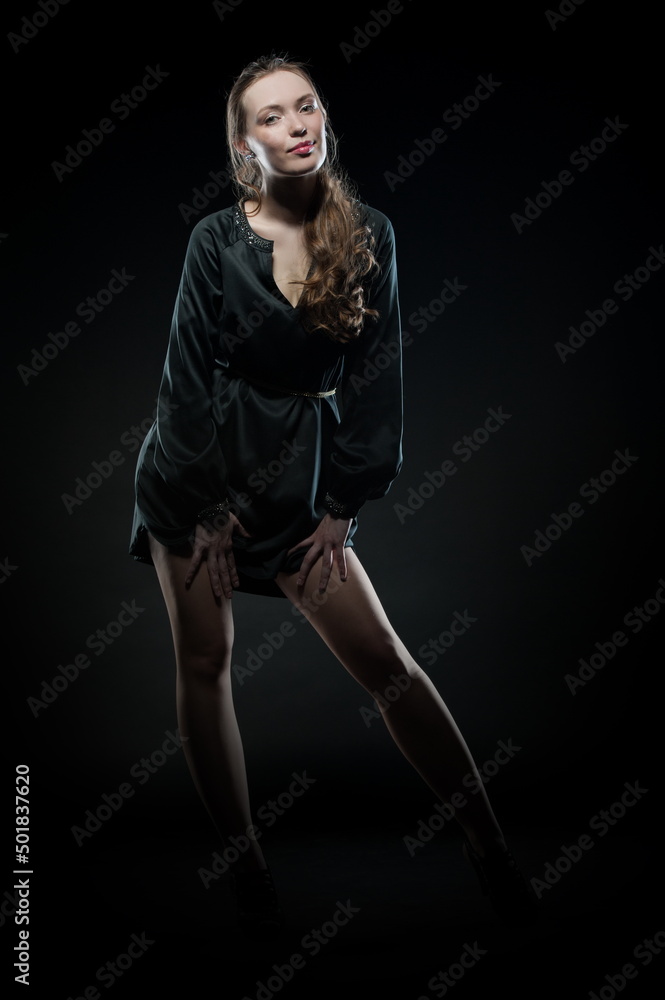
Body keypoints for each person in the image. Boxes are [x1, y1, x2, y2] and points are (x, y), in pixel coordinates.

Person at [129, 54, 534, 936]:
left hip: (300, 476)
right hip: (197, 475)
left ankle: (489, 845)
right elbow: (183, 386)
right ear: (244, 145)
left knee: (388, 663)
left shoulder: (371, 234)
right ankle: (246, 864)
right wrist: (205, 508)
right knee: (204, 664)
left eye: (305, 106)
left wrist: (342, 505)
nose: (296, 125)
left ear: (323, 118)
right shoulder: (213, 241)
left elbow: (380, 380)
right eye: (271, 116)